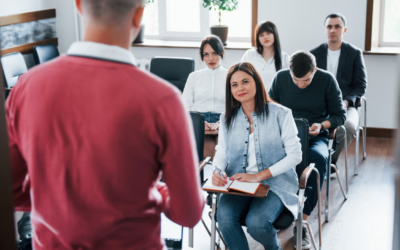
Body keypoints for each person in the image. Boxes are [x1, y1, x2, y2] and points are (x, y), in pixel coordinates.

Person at [6, 0, 205, 249]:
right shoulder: (163, 100)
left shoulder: (26, 86)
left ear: (79, 6)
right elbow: (188, 213)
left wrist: (57, 198)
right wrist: (157, 190)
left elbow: (11, 189)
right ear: (138, 16)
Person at [212, 62, 302, 250]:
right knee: (225, 219)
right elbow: (221, 151)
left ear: (257, 82)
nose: (240, 88)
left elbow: (295, 155)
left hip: (274, 184)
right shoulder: (227, 117)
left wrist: (258, 177)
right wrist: (217, 170)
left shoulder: (282, 114)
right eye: (234, 85)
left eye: (245, 81)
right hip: (238, 182)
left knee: (257, 224)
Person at [269, 51, 346, 249]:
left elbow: (339, 115)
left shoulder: (327, 80)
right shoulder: (281, 78)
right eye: (296, 80)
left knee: (317, 161)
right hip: (284, 137)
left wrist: (321, 125)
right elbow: (269, 107)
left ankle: (300, 224)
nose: (300, 84)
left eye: (306, 80)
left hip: (314, 136)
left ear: (315, 70)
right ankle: (276, 211)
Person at [310, 13, 367, 176]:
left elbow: (361, 85)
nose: (333, 30)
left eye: (337, 26)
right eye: (329, 26)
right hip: (320, 104)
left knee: (347, 127)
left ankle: (329, 161)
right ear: (324, 30)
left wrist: (347, 102)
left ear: (344, 30)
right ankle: (315, 159)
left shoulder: (354, 53)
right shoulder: (314, 54)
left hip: (346, 105)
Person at [182, 35, 228, 131]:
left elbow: (237, 106)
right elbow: (185, 105)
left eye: (215, 53)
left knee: (218, 143)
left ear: (222, 53)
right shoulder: (193, 76)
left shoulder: (231, 76)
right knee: (206, 143)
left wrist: (223, 122)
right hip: (198, 119)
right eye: (206, 54)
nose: (210, 58)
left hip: (224, 119)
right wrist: (198, 122)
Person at [240, 21, 290, 91]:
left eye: (268, 33)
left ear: (275, 34)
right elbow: (240, 76)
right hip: (254, 96)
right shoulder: (249, 54)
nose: (265, 37)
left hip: (275, 98)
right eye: (261, 35)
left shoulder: (284, 57)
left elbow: (287, 83)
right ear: (258, 38)